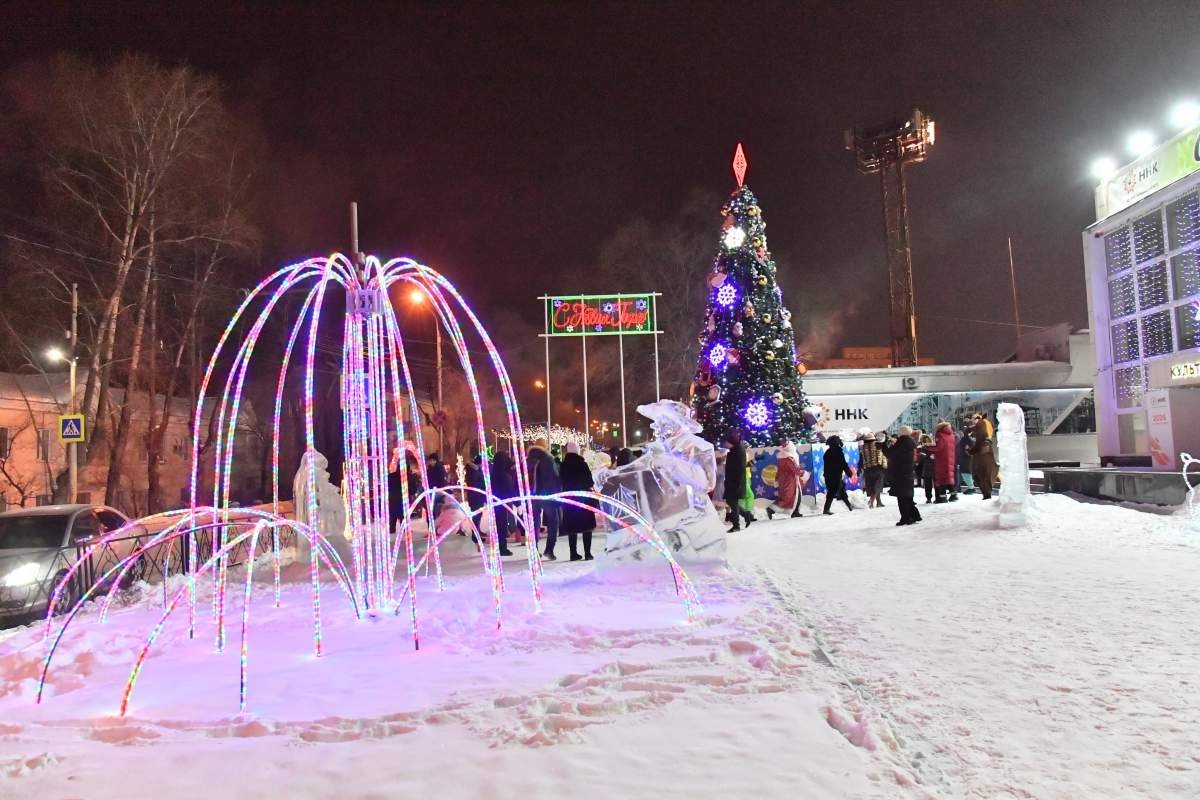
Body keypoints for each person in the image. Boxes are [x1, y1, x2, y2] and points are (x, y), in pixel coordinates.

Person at [559, 441, 597, 560]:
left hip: (570, 498)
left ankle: (573, 553)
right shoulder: (582, 464)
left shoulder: (563, 465)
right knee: (587, 527)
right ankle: (587, 553)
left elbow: (561, 481)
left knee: (572, 527)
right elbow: (589, 481)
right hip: (583, 498)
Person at [526, 438, 562, 559]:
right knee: (553, 522)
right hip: (547, 495)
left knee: (534, 523)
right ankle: (549, 550)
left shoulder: (528, 459)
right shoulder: (548, 458)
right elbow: (552, 478)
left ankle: (534, 550)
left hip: (532, 495)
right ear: (545, 446)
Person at [884, 427, 921, 526]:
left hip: (900, 473)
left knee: (902, 497)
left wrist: (884, 445)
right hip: (908, 472)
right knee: (908, 496)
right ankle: (913, 516)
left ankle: (906, 518)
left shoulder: (901, 443)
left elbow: (889, 453)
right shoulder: (911, 442)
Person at [723, 430, 755, 531]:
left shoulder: (738, 451)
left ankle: (736, 525)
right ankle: (746, 515)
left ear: (731, 442)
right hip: (733, 481)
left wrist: (735, 481)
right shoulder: (735, 450)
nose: (725, 444)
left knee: (733, 502)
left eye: (727, 442)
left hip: (736, 482)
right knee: (731, 502)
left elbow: (740, 467)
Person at [766, 440, 805, 519]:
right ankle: (771, 509)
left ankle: (795, 512)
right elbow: (793, 468)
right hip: (790, 480)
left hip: (788, 479)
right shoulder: (787, 457)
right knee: (788, 497)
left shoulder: (785, 456)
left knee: (795, 496)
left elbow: (790, 468)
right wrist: (802, 473)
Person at [489, 447, 517, 555]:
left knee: (498, 525)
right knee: (502, 525)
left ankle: (498, 547)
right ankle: (502, 548)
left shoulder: (494, 473)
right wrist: (516, 501)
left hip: (496, 502)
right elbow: (509, 489)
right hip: (503, 502)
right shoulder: (504, 475)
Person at [821, 435, 854, 515]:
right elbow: (843, 463)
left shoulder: (827, 452)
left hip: (828, 475)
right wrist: (848, 472)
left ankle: (849, 505)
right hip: (835, 475)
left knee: (840, 489)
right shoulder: (838, 452)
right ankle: (826, 509)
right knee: (832, 491)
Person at [968, 413, 998, 500]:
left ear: (977, 419)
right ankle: (987, 493)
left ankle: (987, 494)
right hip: (983, 453)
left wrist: (971, 450)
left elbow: (980, 440)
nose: (972, 420)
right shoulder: (981, 425)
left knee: (981, 473)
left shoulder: (980, 424)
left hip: (982, 453)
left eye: (973, 418)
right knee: (983, 473)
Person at [859, 432, 887, 509]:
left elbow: (862, 459)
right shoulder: (877, 445)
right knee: (877, 485)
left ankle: (879, 502)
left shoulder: (863, 447)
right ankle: (871, 502)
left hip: (867, 468)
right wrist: (884, 465)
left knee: (871, 485)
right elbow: (881, 456)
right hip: (877, 467)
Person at [933, 421, 958, 503]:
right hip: (950, 458)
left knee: (942, 478)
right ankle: (954, 495)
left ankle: (943, 497)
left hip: (942, 459)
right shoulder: (951, 434)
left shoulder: (940, 434)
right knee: (948, 478)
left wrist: (928, 447)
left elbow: (939, 447)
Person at [916, 433, 936, 504]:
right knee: (935, 484)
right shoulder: (934, 447)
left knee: (928, 484)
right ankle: (937, 497)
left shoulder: (921, 448)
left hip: (927, 468)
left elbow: (920, 459)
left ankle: (929, 498)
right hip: (934, 467)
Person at [957, 424, 975, 495]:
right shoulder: (967, 439)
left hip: (965, 459)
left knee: (966, 473)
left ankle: (971, 488)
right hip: (965, 459)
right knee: (966, 473)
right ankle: (971, 487)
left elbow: (969, 449)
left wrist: (967, 450)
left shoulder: (967, 439)